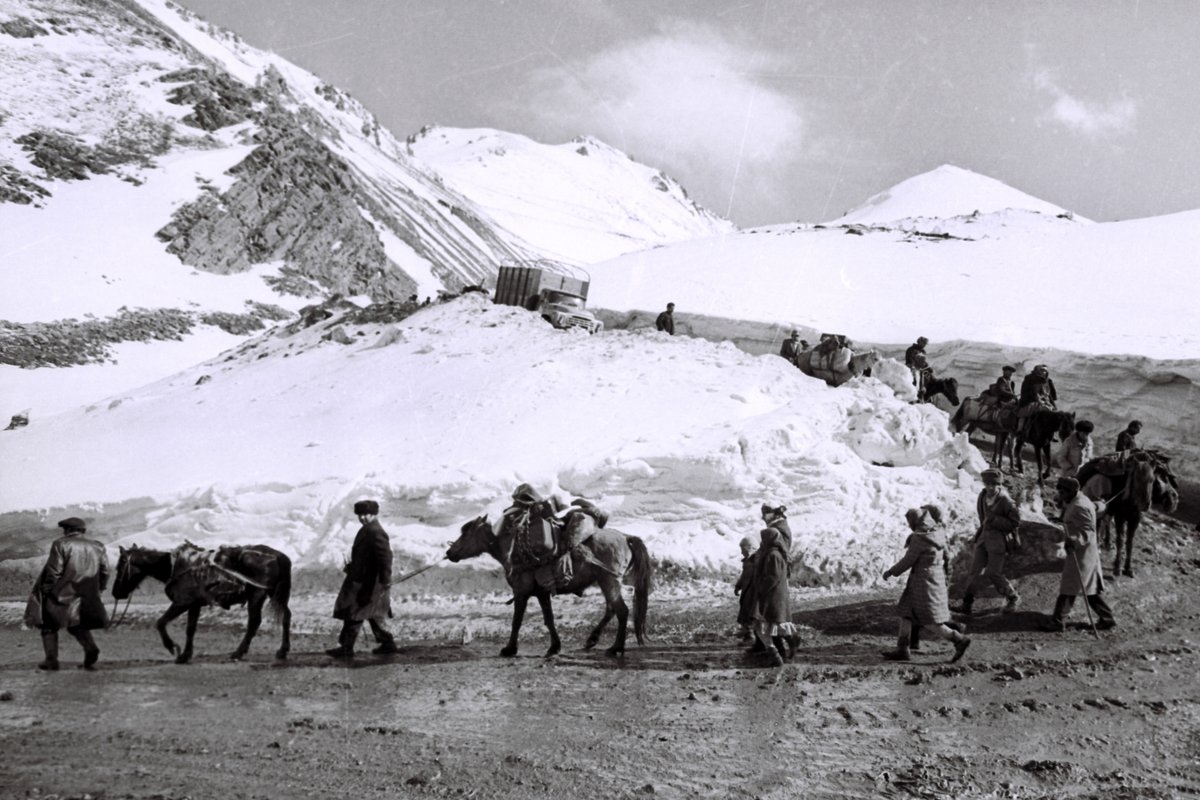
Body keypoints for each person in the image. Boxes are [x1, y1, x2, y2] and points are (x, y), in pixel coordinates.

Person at [880, 505, 971, 663]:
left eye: (910, 522)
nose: (909, 526)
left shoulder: (919, 538)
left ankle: (958, 639)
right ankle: (903, 649)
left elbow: (908, 560)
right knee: (906, 612)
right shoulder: (937, 532)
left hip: (922, 582)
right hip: (933, 577)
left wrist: (891, 572)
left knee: (929, 620)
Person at [28, 517, 109, 671]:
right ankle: (90, 647)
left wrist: (46, 590)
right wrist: (99, 589)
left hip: (63, 593)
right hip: (87, 594)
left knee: (48, 625)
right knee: (76, 623)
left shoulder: (61, 544)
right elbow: (105, 571)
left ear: (68, 530)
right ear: (82, 530)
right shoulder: (98, 546)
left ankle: (51, 660)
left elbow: (54, 571)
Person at [1039, 477, 1116, 632]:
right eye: (1059, 490)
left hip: (1081, 552)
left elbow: (1089, 530)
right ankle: (1107, 618)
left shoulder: (1080, 505)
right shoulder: (1081, 499)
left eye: (1063, 492)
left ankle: (1057, 621)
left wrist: (1074, 539)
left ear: (1072, 491)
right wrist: (1101, 504)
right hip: (1084, 552)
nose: (1060, 494)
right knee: (1088, 587)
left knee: (1070, 585)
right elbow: (1095, 508)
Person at [327, 500, 396, 658]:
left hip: (370, 583)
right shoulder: (367, 529)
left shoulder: (376, 532)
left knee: (355, 612)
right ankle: (387, 643)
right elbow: (367, 557)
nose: (363, 518)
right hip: (363, 580)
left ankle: (346, 648)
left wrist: (385, 581)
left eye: (367, 514)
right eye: (360, 515)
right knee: (371, 614)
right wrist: (353, 567)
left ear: (374, 514)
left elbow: (385, 558)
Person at [951, 468, 1022, 615]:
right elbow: (982, 517)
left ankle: (1012, 597)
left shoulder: (1005, 501)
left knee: (993, 573)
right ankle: (967, 604)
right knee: (974, 572)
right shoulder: (982, 496)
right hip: (983, 539)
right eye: (987, 484)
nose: (990, 487)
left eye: (993, 485)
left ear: (999, 485)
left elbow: (1015, 522)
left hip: (998, 542)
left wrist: (995, 521)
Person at [751, 510, 793, 667]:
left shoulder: (773, 555)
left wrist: (762, 587)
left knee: (771, 621)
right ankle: (776, 649)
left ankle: (779, 650)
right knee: (771, 622)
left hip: (772, 594)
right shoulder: (773, 552)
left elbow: (773, 577)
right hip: (773, 593)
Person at [733, 536, 758, 642]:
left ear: (749, 548)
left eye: (742, 549)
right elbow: (744, 575)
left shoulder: (757, 560)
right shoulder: (747, 562)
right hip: (746, 591)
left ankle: (751, 633)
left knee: (752, 613)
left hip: (754, 592)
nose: (741, 552)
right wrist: (738, 585)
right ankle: (747, 631)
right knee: (745, 611)